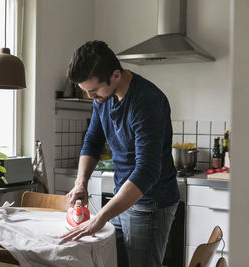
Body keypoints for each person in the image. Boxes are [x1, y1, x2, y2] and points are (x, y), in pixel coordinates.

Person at [60, 40, 180, 267]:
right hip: (121, 198)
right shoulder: (102, 99)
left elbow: (146, 171)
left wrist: (101, 216)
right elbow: (92, 141)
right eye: (86, 91)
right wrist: (80, 183)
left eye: (93, 90)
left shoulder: (147, 101)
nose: (90, 96)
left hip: (150, 204)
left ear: (116, 75)